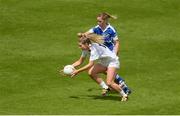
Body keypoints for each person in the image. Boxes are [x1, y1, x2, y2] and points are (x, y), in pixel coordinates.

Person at [78, 12, 131, 95]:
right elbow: (87, 33)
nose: (98, 23)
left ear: (105, 20)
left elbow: (116, 42)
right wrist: (82, 34)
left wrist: (115, 54)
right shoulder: (97, 28)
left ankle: (121, 87)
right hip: (102, 53)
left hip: (109, 53)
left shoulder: (111, 30)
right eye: (97, 21)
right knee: (104, 71)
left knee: (107, 71)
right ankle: (117, 85)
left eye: (99, 21)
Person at [71, 36, 128, 101]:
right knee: (91, 72)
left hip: (112, 62)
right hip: (104, 62)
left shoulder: (94, 49)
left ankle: (124, 95)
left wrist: (77, 71)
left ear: (86, 44)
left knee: (110, 82)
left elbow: (90, 64)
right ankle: (106, 88)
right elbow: (79, 61)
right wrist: (70, 66)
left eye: (80, 45)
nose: (79, 47)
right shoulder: (86, 49)